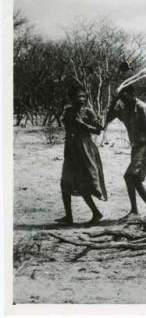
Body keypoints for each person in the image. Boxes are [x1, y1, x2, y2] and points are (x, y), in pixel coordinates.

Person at [106, 86, 146, 221]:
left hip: (144, 147)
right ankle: (144, 211)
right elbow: (108, 119)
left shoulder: (142, 107)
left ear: (131, 94)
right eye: (120, 97)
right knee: (133, 179)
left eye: (124, 96)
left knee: (130, 178)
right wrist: (113, 103)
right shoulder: (124, 108)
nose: (122, 99)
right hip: (135, 148)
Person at [56, 86, 106, 225]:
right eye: (78, 96)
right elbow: (67, 125)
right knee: (64, 182)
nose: (81, 99)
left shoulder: (88, 111)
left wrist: (84, 125)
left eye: (83, 96)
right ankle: (69, 216)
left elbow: (98, 130)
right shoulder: (68, 111)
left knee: (83, 183)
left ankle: (96, 213)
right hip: (71, 148)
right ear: (71, 98)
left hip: (84, 148)